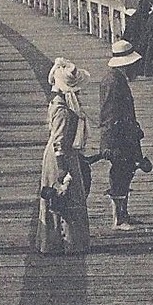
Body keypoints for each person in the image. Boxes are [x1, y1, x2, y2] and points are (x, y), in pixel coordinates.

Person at [37, 58, 92, 255]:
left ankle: (61, 242)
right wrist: (62, 169)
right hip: (61, 156)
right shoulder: (62, 109)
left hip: (65, 153)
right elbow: (59, 140)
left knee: (65, 197)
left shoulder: (59, 103)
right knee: (64, 195)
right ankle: (65, 243)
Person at [99, 38, 151, 230]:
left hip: (126, 135)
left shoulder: (116, 79)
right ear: (127, 64)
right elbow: (110, 114)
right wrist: (109, 144)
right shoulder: (114, 83)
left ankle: (123, 214)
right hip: (118, 137)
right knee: (120, 174)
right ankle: (118, 219)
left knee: (126, 172)